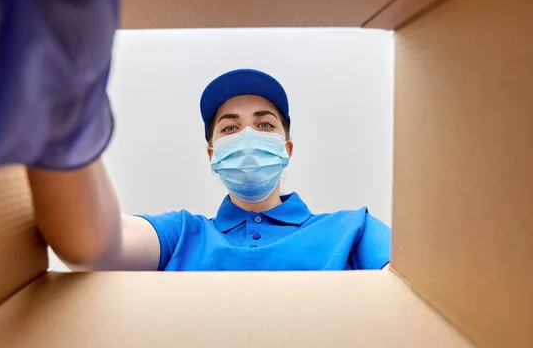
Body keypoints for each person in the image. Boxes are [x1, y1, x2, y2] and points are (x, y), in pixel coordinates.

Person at [29, 69, 391, 271]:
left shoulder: (354, 228)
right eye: (230, 128)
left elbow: (423, 295)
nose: (248, 136)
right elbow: (92, 246)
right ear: (212, 154)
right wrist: (61, 110)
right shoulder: (181, 234)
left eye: (264, 125)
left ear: (287, 148)